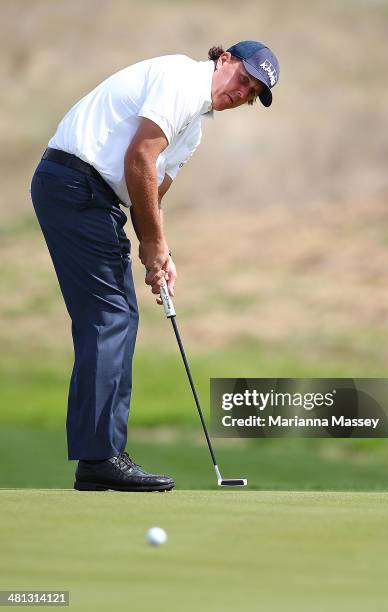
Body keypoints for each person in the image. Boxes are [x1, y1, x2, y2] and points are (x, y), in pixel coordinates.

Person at [30, 40, 280, 492]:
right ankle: (100, 457)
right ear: (223, 59)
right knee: (110, 318)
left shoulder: (194, 130)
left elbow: (150, 191)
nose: (241, 94)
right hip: (75, 184)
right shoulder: (181, 79)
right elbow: (139, 159)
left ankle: (99, 455)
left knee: (114, 317)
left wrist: (157, 253)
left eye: (252, 94)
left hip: (90, 198)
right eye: (243, 80)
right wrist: (151, 242)